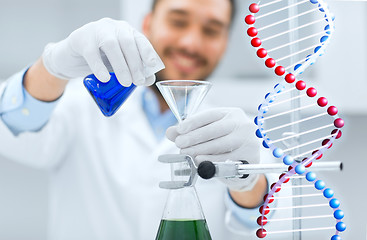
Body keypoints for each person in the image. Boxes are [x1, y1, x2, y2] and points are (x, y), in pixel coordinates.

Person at [0, 0, 271, 239]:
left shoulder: (238, 134)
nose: (191, 43)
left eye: (211, 30)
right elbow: (11, 128)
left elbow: (263, 222)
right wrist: (51, 67)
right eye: (178, 21)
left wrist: (247, 180)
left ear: (225, 41)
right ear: (148, 24)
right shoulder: (79, 107)